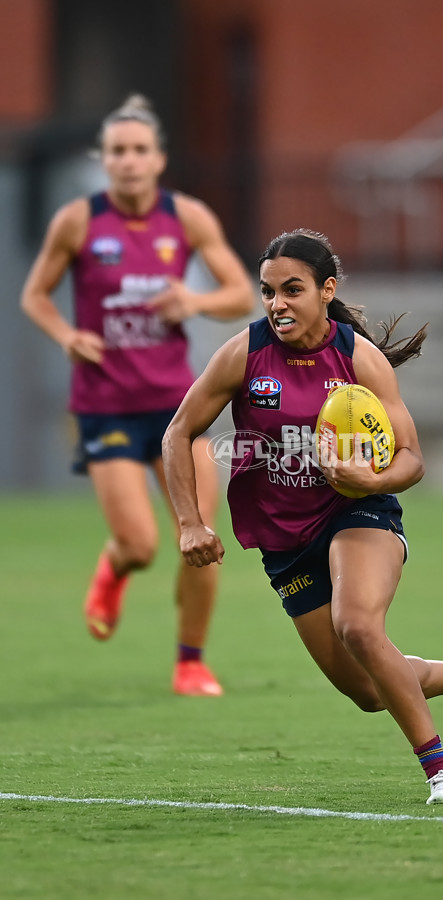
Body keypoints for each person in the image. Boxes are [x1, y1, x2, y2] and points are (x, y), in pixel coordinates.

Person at [161, 228, 443, 803]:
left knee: (359, 626)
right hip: (284, 538)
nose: (277, 303)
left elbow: (411, 459)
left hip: (358, 511)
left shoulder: (357, 358)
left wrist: (371, 480)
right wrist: (190, 522)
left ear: (325, 289)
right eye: (268, 292)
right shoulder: (244, 352)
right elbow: (179, 433)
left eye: (292, 290)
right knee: (367, 690)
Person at [20, 94, 255, 697]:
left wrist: (194, 301)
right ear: (105, 160)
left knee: (201, 534)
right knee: (142, 543)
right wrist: (67, 334)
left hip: (179, 409)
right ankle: (115, 564)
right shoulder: (77, 221)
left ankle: (190, 662)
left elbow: (239, 294)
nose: (128, 161)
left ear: (159, 159)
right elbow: (35, 296)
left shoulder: (189, 218)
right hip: (105, 406)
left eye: (139, 150)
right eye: (117, 151)